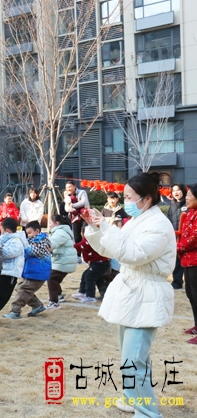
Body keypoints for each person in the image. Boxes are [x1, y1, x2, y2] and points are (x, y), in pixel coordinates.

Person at [82, 172, 175, 416]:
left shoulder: (158, 225)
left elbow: (132, 254)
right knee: (132, 357)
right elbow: (112, 248)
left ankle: (147, 413)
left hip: (148, 293)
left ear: (146, 198)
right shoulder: (138, 220)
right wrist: (95, 227)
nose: (125, 202)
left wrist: (105, 225)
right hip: (133, 291)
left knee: (134, 359)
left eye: (129, 197)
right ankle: (130, 398)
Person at [3, 221, 51, 319]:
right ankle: (37, 305)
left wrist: (22, 246)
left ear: (37, 231)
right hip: (30, 271)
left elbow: (34, 251)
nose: (28, 236)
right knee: (20, 287)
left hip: (38, 272)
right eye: (27, 234)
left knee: (24, 290)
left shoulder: (43, 240)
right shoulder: (32, 239)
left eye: (30, 233)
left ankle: (15, 311)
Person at [176, 183, 197, 344]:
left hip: (195, 260)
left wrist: (178, 246)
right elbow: (183, 233)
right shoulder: (190, 213)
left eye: (190, 195)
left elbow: (193, 238)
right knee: (191, 294)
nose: (187, 197)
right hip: (187, 260)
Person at [72, 224, 111, 304]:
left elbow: (80, 247)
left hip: (101, 263)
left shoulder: (90, 239)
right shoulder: (90, 239)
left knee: (89, 277)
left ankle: (90, 296)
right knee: (87, 275)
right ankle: (83, 292)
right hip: (97, 263)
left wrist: (70, 247)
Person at [45, 215, 77, 310]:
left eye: (50, 223)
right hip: (62, 260)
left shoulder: (60, 232)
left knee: (52, 279)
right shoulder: (60, 231)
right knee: (54, 278)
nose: (49, 225)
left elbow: (51, 243)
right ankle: (58, 295)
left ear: (57, 223)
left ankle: (54, 302)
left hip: (64, 261)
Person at [167, 183, 188, 289]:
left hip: (188, 237)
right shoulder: (172, 205)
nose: (176, 192)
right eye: (174, 190)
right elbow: (168, 221)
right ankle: (177, 282)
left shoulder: (188, 204)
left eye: (178, 190)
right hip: (175, 237)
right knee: (176, 260)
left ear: (183, 191)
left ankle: (189, 281)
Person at [63, 180, 89, 262]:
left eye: (70, 187)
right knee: (76, 236)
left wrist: (73, 205)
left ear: (74, 186)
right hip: (74, 217)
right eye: (67, 187)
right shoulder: (67, 195)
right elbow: (66, 207)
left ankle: (86, 254)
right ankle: (78, 256)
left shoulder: (82, 192)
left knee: (85, 235)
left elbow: (83, 202)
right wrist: (69, 207)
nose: (69, 189)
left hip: (84, 216)